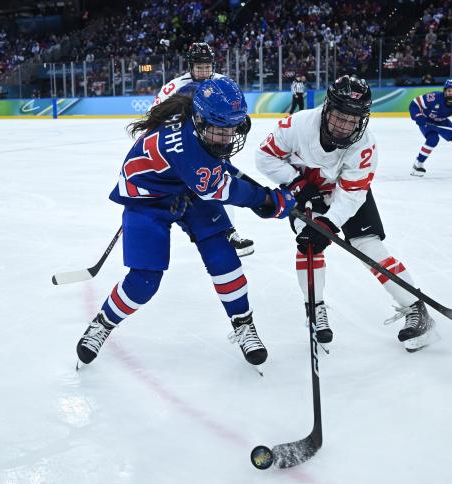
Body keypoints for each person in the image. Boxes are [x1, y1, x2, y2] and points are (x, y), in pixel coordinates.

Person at [76, 77, 296, 368]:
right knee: (144, 280)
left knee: (223, 258)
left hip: (183, 185)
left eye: (232, 127)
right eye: (220, 130)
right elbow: (225, 189)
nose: (228, 137)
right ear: (201, 120)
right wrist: (269, 202)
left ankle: (243, 324)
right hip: (147, 198)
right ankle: (102, 324)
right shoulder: (188, 151)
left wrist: (261, 196)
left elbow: (215, 171)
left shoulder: (197, 99)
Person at [255, 75, 435, 353]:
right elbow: (264, 156)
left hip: (347, 193)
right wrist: (296, 183)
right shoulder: (298, 125)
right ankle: (314, 309)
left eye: (353, 119)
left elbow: (352, 193)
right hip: (305, 190)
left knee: (369, 248)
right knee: (308, 243)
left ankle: (415, 306)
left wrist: (329, 223)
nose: (344, 125)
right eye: (340, 116)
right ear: (328, 108)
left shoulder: (364, 144)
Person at [152, 42, 255, 257]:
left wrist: (242, 121)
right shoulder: (175, 87)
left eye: (207, 66)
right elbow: (155, 116)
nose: (204, 71)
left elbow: (237, 111)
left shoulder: (223, 83)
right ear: (190, 65)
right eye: (199, 67)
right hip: (186, 148)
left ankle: (229, 232)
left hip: (216, 144)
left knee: (220, 182)